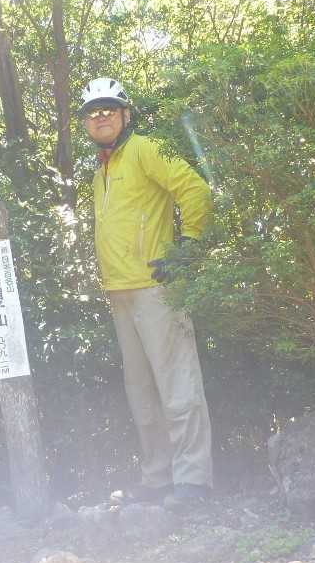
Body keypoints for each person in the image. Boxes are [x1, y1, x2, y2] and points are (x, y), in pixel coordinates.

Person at [79, 77, 215, 512]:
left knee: (177, 383)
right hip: (119, 291)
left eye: (108, 109)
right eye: (93, 112)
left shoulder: (146, 149)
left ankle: (192, 479)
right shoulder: (101, 170)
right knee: (141, 392)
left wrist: (187, 247)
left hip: (156, 287)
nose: (101, 117)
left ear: (126, 114)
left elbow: (195, 189)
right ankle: (158, 477)